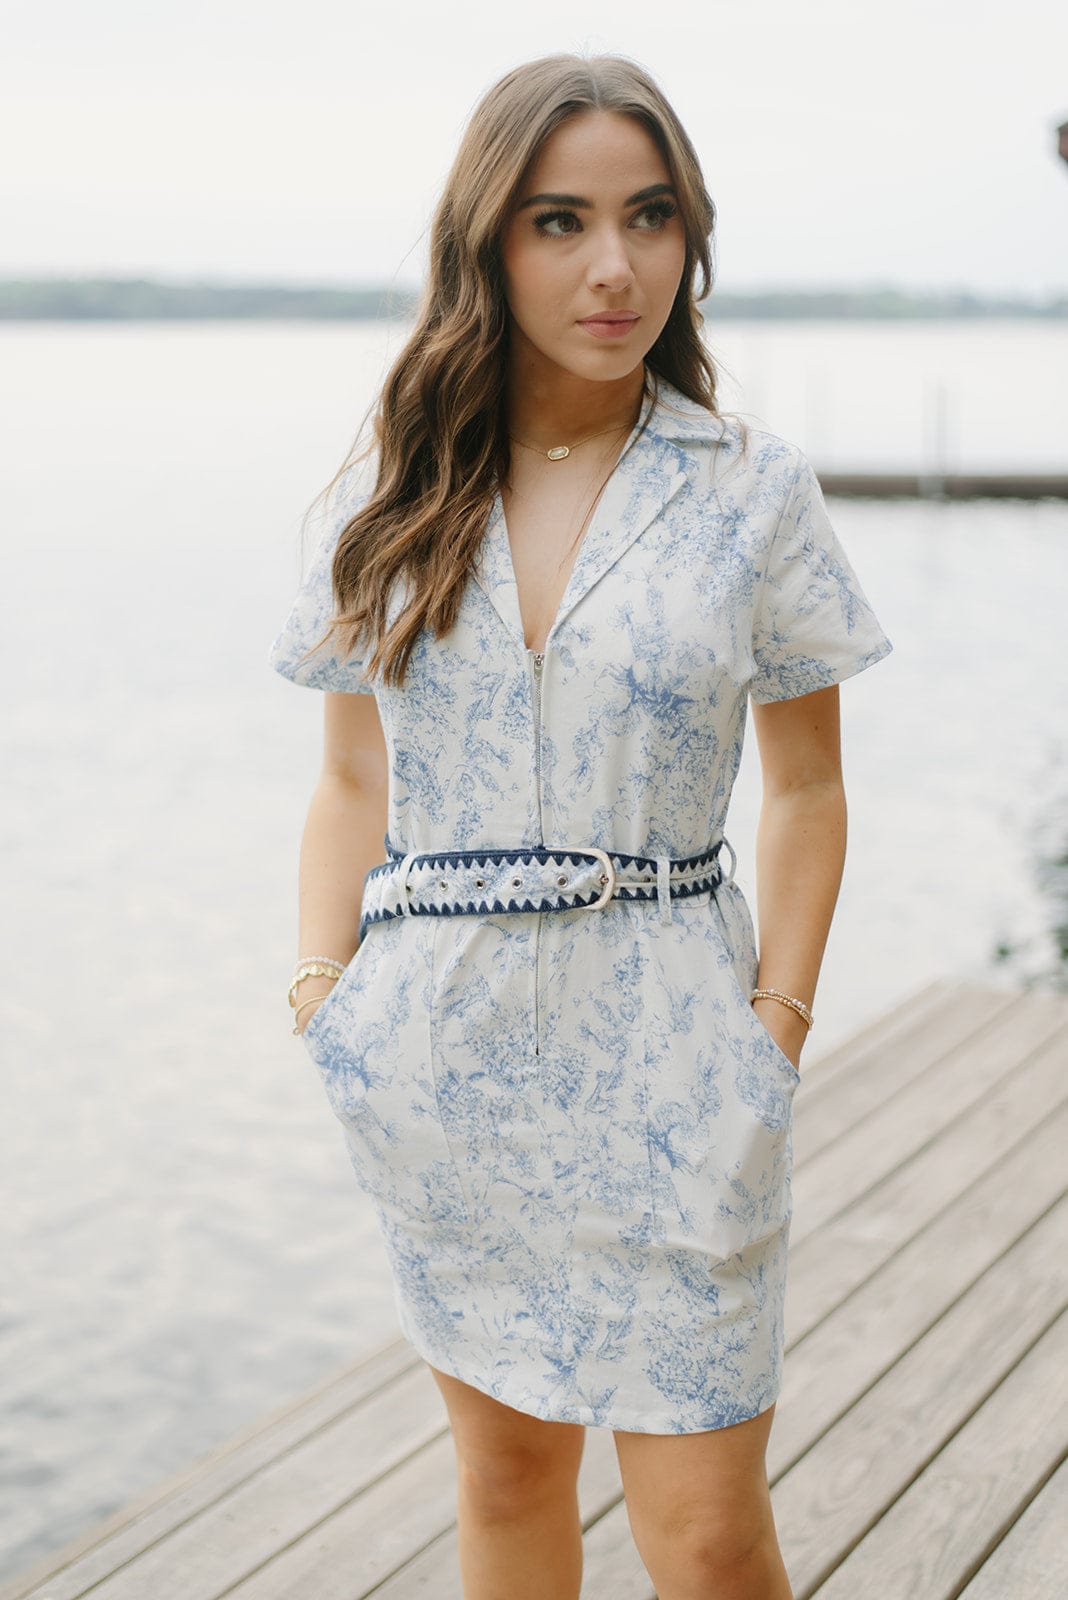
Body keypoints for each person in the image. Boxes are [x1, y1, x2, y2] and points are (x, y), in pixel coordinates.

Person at [267, 51, 893, 1600]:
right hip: (442, 1062)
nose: (613, 267)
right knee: (504, 1477)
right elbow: (352, 780)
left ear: (690, 241)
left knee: (708, 1533)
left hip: (690, 1060)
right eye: (560, 221)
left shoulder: (752, 490)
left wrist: (775, 1030)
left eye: (650, 217)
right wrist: (321, 996)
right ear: (488, 241)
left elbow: (805, 789)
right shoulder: (391, 491)